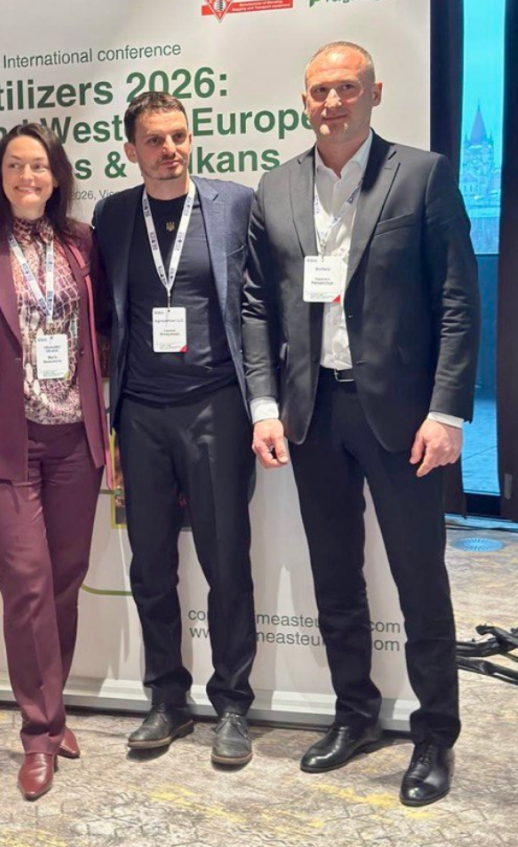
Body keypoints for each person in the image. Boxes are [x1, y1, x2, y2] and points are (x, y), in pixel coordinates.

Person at [242, 41, 480, 806]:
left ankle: (435, 734)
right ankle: (356, 714)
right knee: (336, 575)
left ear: (374, 93)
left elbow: (457, 298)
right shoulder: (277, 187)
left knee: (420, 580)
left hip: (406, 419)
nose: (332, 102)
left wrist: (446, 410)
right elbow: (256, 305)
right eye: (320, 90)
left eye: (347, 87)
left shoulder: (421, 175)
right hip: (314, 415)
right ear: (303, 101)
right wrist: (265, 405)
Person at [0, 124, 108, 801]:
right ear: (0, 176)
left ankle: (52, 707)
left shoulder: (82, 243)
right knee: (27, 580)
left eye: (38, 165)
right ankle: (39, 733)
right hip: (2, 436)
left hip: (75, 438)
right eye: (15, 165)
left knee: (64, 578)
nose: (27, 176)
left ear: (56, 175)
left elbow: (101, 334)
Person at [93, 91, 257, 767]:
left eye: (180, 136)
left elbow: (258, 308)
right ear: (131, 150)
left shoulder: (234, 205)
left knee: (226, 560)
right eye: (155, 140)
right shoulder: (112, 216)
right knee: (151, 563)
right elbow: (104, 317)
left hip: (216, 407)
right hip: (141, 413)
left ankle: (233, 704)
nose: (171, 150)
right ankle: (166, 699)